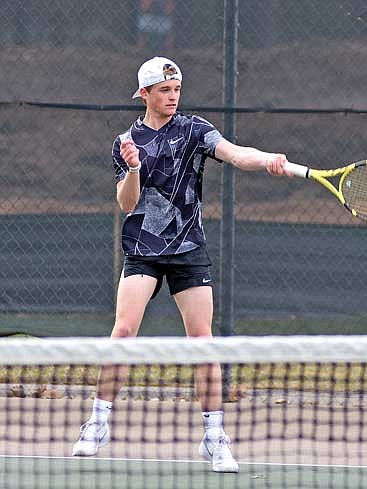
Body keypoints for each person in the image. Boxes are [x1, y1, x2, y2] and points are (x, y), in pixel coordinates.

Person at [72, 56, 291, 472]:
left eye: (176, 90)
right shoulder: (126, 141)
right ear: (145, 95)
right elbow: (127, 203)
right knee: (123, 331)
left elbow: (236, 154)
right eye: (164, 91)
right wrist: (134, 167)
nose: (172, 97)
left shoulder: (194, 129)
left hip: (188, 248)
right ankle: (97, 423)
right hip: (142, 248)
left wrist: (267, 160)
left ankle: (214, 436)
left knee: (202, 341)